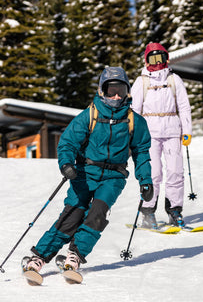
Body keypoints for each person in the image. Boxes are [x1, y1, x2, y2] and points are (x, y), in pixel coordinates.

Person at [23, 66, 153, 273]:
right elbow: (67, 143)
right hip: (84, 172)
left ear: (127, 91)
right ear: (102, 91)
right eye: (111, 90)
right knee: (73, 214)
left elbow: (142, 152)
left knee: (98, 213)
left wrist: (146, 180)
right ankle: (40, 256)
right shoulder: (89, 115)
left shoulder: (135, 121)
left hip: (114, 176)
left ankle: (75, 254)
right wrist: (66, 164)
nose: (116, 95)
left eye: (121, 89)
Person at [131, 42, 192, 229]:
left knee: (175, 171)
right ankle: (148, 213)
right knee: (153, 173)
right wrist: (134, 133)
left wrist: (187, 130)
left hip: (173, 130)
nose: (157, 63)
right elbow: (134, 109)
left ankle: (175, 211)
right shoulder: (142, 81)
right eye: (153, 59)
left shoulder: (175, 80)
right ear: (146, 60)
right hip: (150, 133)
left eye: (161, 58)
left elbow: (183, 106)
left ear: (167, 58)